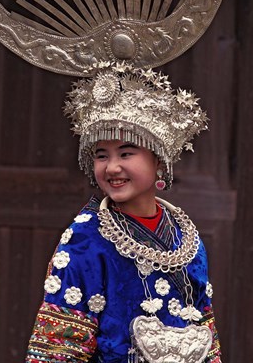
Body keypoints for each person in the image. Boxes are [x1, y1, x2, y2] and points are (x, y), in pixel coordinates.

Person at [25, 62, 222, 363]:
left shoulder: (186, 238)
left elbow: (206, 335)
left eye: (126, 153)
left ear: (159, 160)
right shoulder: (85, 239)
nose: (112, 167)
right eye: (102, 155)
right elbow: (58, 351)